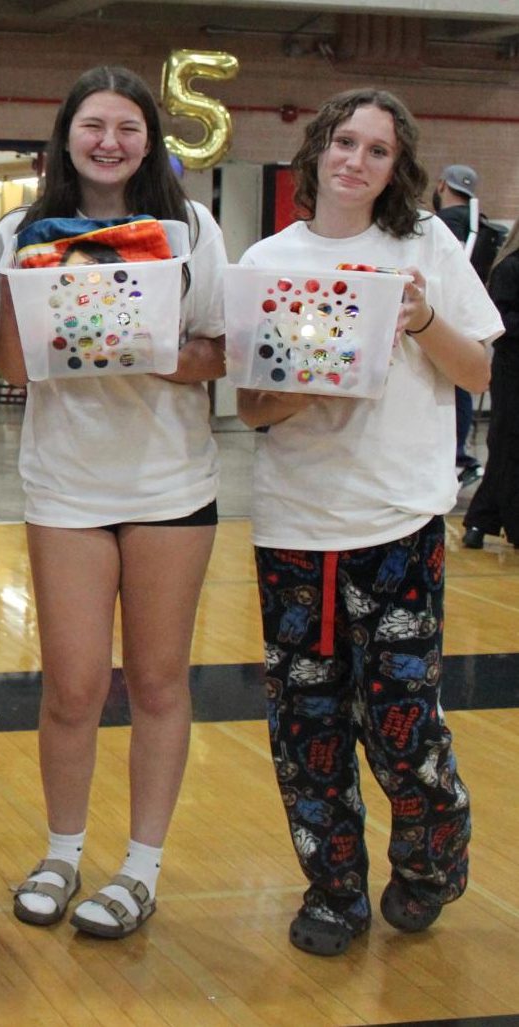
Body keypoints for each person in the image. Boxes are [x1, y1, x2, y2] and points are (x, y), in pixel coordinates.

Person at [237, 88, 496, 957]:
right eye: (343, 142)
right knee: (306, 726)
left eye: (376, 150)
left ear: (397, 167)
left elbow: (479, 373)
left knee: (401, 721)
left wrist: (420, 318)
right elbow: (253, 409)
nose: (355, 160)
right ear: (317, 152)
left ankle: (431, 857)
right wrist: (308, 382)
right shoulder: (271, 258)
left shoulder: (426, 245)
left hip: (397, 522)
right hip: (296, 528)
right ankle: (334, 888)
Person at [0, 66, 229, 939]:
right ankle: (62, 850)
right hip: (66, 485)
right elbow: (12, 369)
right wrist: (32, 288)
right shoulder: (21, 228)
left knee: (160, 681)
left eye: (128, 127)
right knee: (73, 686)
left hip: (171, 482)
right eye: (94, 124)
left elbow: (220, 353)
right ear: (67, 135)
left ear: (151, 140)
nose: (110, 142)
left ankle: (140, 867)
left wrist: (144, 341)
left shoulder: (193, 228)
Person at [432, 163, 504, 483]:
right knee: (461, 383)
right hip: (469, 318)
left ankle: (454, 457)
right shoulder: (484, 227)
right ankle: (458, 455)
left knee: (449, 384)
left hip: (438, 317)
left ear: (441, 186)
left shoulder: (441, 226)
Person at [464, 228, 519, 549]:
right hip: (512, 370)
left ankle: (482, 519)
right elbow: (498, 321)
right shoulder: (510, 268)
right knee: (506, 442)